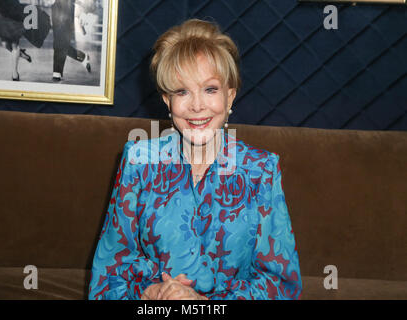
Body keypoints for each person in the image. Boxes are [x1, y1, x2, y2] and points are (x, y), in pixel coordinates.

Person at [88, 19, 302, 300]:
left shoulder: (261, 170)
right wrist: (148, 292)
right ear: (167, 101)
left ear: (230, 96)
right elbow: (108, 274)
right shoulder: (138, 161)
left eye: (210, 89)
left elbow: (281, 284)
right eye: (182, 91)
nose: (197, 105)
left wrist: (202, 304)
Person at [51, 0, 91, 82]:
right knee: (59, 43)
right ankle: (82, 57)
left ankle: (57, 72)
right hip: (57, 6)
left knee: (61, 42)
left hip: (66, 7)